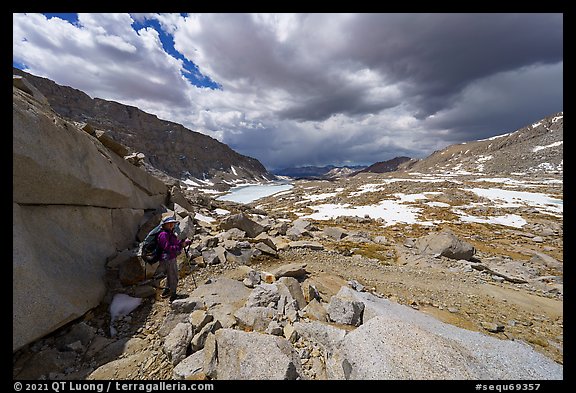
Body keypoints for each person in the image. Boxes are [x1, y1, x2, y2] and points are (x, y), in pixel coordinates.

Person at [155, 216, 192, 302]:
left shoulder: (169, 233)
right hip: (167, 258)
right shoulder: (163, 234)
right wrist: (180, 246)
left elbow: (174, 243)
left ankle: (166, 291)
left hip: (169, 257)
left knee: (170, 275)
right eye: (170, 224)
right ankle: (173, 295)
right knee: (174, 276)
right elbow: (167, 247)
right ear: (165, 225)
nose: (172, 225)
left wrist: (184, 243)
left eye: (173, 224)